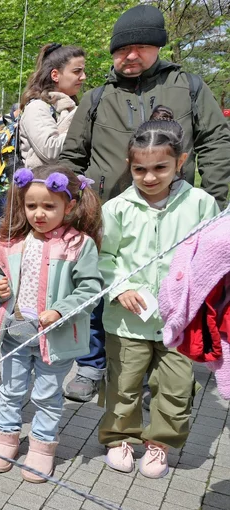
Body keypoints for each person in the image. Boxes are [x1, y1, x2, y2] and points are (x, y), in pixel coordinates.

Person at [60, 4, 230, 403]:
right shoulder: (97, 97)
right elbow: (72, 157)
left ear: (158, 46)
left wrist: (217, 205)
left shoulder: (189, 87)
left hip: (173, 215)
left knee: (171, 286)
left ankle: (166, 369)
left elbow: (216, 143)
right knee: (101, 286)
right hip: (107, 213)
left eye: (140, 47)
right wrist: (73, 206)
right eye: (122, 49)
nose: (130, 56)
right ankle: (92, 363)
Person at [97, 107, 220, 478]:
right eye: (140, 169)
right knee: (123, 382)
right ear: (129, 166)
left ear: (180, 162)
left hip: (179, 321)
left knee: (175, 386)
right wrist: (120, 287)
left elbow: (212, 258)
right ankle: (120, 438)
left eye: (160, 168)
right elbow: (103, 257)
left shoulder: (201, 204)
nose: (149, 177)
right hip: (127, 321)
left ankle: (160, 444)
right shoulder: (116, 208)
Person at [0, 165, 102, 481]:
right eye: (31, 205)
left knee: (47, 395)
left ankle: (42, 445)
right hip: (15, 332)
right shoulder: (14, 241)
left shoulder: (79, 245)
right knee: (10, 389)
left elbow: (91, 290)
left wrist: (61, 311)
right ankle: (6, 437)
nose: (39, 213)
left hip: (55, 339)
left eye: (49, 206)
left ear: (69, 206)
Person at [18, 43, 86, 168]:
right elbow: (50, 151)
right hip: (41, 180)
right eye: (77, 71)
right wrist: (87, 129)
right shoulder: (37, 107)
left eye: (83, 71)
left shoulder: (69, 106)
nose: (83, 77)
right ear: (55, 75)